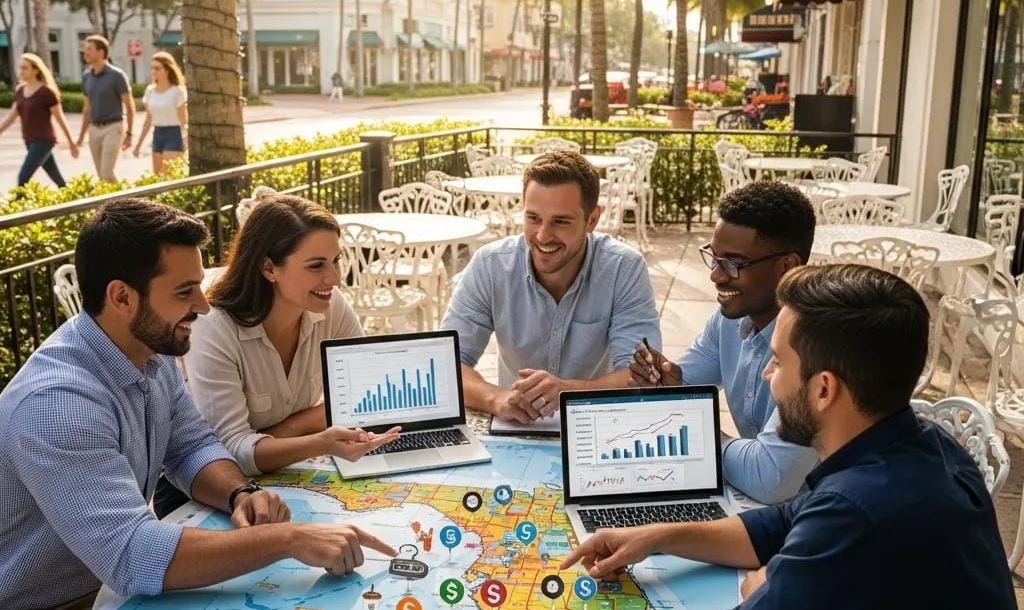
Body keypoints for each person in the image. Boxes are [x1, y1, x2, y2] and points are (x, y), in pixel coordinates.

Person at [565, 263, 1024, 610]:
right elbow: (780, 524)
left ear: (824, 389)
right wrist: (656, 535)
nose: (767, 376)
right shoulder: (923, 447)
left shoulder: (858, 515)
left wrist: (758, 588)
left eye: (778, 362)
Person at [0, 197, 396, 610]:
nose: (204, 305)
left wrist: (239, 491)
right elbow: (134, 557)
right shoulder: (61, 399)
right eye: (186, 291)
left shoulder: (149, 351)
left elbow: (193, 448)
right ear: (122, 296)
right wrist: (287, 539)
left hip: (102, 592)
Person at [171, 191, 399, 516]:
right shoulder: (214, 327)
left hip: (293, 476)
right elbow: (230, 453)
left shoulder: (332, 307)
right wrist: (319, 438)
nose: (334, 278)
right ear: (269, 269)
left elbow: (364, 397)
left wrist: (286, 432)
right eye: (316, 265)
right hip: (214, 498)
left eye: (336, 260)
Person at [441, 149, 660, 424]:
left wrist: (569, 391)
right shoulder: (490, 265)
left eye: (560, 222)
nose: (543, 236)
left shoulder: (623, 269)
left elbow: (641, 374)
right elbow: (445, 365)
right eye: (533, 218)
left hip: (599, 423)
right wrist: (496, 398)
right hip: (517, 427)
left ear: (592, 220)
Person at [631, 181, 817, 503]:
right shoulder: (729, 321)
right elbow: (683, 384)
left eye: (733, 263)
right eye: (714, 258)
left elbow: (768, 477)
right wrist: (663, 384)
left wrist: (695, 428)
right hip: (761, 506)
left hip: (820, 521)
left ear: (788, 267)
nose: (716, 275)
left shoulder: (816, 345)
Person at [0, 53, 79, 188]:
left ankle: (20, 207)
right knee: (56, 177)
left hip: (44, 140)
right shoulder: (20, 91)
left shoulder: (46, 93)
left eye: (25, 68)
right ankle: (73, 201)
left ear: (36, 70)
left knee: (23, 177)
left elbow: (60, 118)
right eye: (20, 68)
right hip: (29, 140)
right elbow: (11, 117)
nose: (21, 71)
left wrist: (72, 143)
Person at [76, 34, 134, 182]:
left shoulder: (116, 75)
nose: (85, 52)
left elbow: (129, 105)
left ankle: (122, 204)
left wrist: (129, 133)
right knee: (102, 177)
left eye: (89, 49)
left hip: (113, 127)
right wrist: (81, 136)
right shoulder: (86, 76)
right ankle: (109, 204)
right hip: (94, 129)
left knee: (107, 173)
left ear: (101, 52)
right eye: (85, 49)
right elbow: (87, 108)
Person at [132, 51, 188, 175]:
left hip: (174, 134)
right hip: (157, 134)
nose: (153, 71)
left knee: (167, 174)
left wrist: (186, 140)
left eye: (157, 68)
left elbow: (184, 119)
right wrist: (138, 145)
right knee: (157, 176)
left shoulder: (177, 91)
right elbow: (148, 120)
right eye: (152, 68)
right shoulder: (150, 91)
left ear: (167, 70)